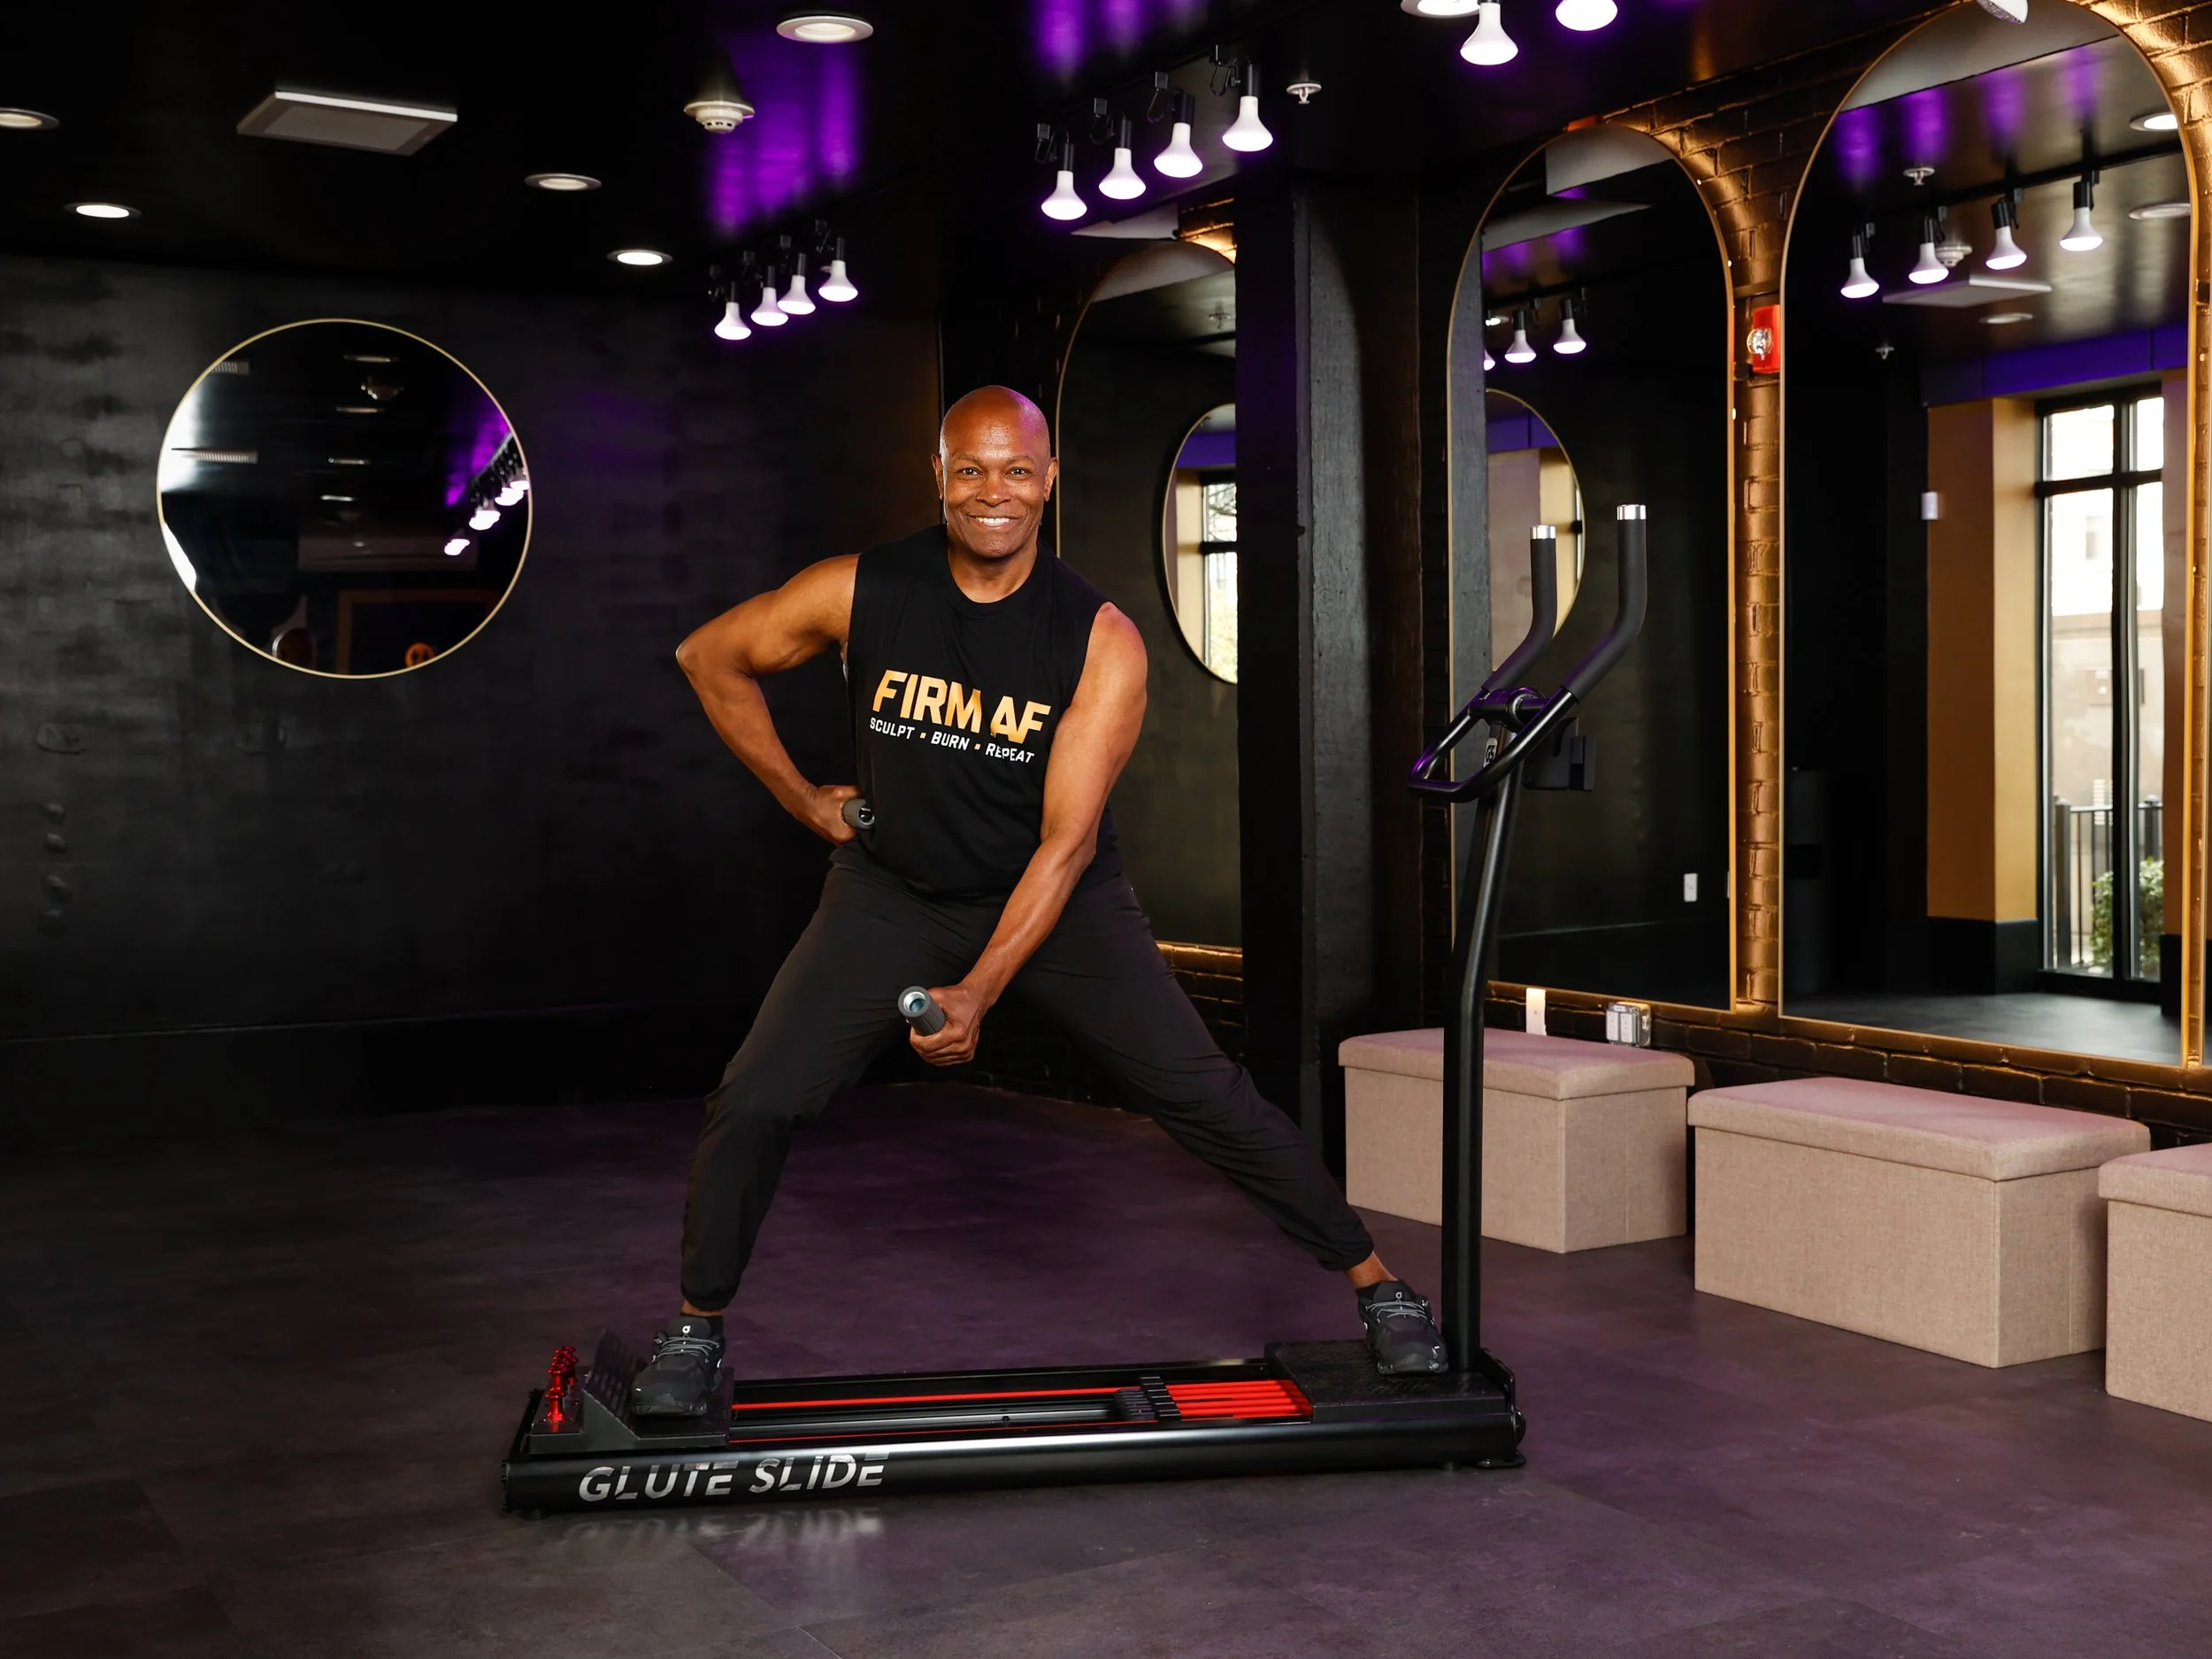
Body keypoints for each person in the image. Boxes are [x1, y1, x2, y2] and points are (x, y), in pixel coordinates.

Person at [634, 386, 1447, 1415]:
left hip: (1060, 900)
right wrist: (804, 801)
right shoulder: (860, 590)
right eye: (970, 469)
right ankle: (694, 1330)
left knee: (1202, 1094)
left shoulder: (1098, 639)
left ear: (1048, 480)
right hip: (894, 890)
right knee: (756, 1095)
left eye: (1017, 470)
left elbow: (1064, 846)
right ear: (939, 476)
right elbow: (708, 656)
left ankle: (1378, 1286)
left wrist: (976, 990)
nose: (994, 492)